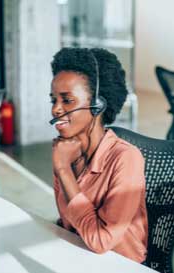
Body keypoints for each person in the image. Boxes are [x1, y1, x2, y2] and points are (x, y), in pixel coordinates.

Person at [50, 47, 148, 263]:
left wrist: (64, 171)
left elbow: (100, 241)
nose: (55, 110)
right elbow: (68, 224)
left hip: (118, 265)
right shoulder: (67, 150)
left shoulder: (126, 159)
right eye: (53, 100)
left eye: (67, 100)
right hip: (79, 257)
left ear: (97, 105)